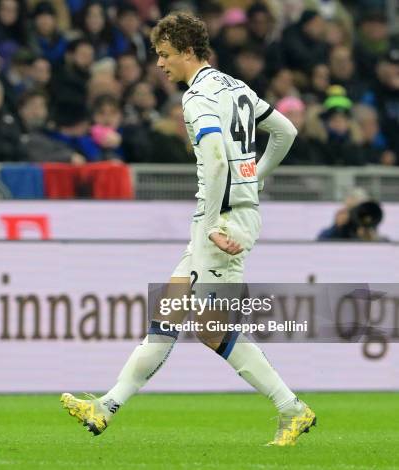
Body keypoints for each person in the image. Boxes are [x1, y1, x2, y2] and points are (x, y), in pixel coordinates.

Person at [60, 12, 316, 447]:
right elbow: (284, 130)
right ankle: (106, 406)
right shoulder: (235, 86)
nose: (159, 65)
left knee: (212, 329)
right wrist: (254, 178)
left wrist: (218, 218)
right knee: (167, 316)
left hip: (223, 220)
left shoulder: (196, 99)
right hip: (221, 216)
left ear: (186, 51)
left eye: (164, 55)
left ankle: (292, 409)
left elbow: (216, 159)